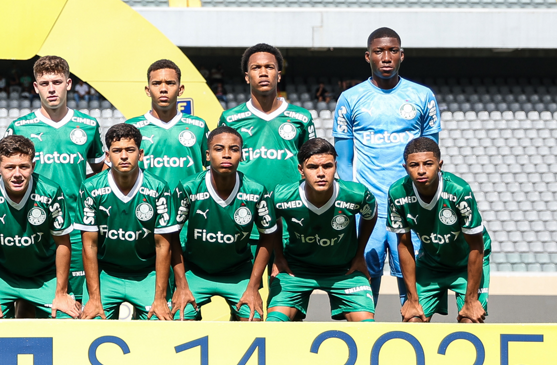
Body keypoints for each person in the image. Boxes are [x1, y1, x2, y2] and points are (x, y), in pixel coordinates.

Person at [333, 27, 441, 302]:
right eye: (379, 51)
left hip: (410, 206)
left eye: (392, 50)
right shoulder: (350, 99)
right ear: (367, 56)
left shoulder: (422, 96)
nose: (386, 57)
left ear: (402, 55)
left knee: (413, 285)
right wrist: (354, 202)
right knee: (363, 283)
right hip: (369, 209)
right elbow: (343, 161)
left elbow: (430, 158)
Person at [5, 55, 104, 305]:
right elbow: (4, 171)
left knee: (76, 303)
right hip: (32, 225)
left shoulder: (88, 125)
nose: (51, 89)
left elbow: (100, 171)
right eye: (45, 83)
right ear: (35, 87)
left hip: (75, 226)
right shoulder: (20, 127)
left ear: (68, 84)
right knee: (28, 302)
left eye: (57, 82)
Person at [170, 127, 277, 321]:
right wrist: (181, 285)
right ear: (207, 155)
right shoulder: (188, 187)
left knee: (252, 320)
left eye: (234, 149)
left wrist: (253, 287)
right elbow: (170, 236)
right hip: (195, 272)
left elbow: (268, 237)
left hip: (238, 274)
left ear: (242, 155)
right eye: (219, 149)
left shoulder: (256, 190)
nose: (226, 154)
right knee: (180, 318)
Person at [267, 139, 378, 322]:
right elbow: (273, 222)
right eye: (312, 167)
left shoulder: (357, 194)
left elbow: (370, 215)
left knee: (366, 326)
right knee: (274, 324)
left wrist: (359, 255)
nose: (321, 173)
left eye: (327, 166)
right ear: (301, 170)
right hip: (296, 269)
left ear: (335, 166)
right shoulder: (281, 196)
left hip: (344, 270)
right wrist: (278, 256)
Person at [77, 124, 178, 320]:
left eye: (130, 150)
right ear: (107, 156)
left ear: (140, 154)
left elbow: (162, 246)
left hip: (147, 274)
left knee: (160, 322)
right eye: (117, 151)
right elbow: (89, 245)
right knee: (92, 321)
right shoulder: (91, 188)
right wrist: (95, 299)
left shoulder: (158, 188)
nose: (124, 156)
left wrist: (159, 298)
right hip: (106, 274)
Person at [0, 135, 75, 319]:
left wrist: (61, 293)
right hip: (2, 275)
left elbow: (63, 243)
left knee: (66, 319)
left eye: (24, 167)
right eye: (10, 167)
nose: (17, 174)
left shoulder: (50, 192)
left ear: (33, 166)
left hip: (45, 275)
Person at [387, 137, 489, 323]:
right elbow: (404, 244)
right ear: (405, 168)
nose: (421, 170)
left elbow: (476, 246)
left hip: (466, 263)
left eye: (428, 164)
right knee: (413, 319)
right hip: (431, 262)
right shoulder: (397, 193)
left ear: (439, 165)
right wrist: (412, 299)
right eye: (414, 165)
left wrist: (471, 300)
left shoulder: (459, 190)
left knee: (470, 320)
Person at [218, 44, 315, 191]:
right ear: (247, 77)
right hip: (245, 198)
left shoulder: (302, 118)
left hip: (289, 199)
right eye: (256, 67)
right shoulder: (230, 118)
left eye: (269, 67)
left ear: (279, 75)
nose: (263, 73)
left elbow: (312, 162)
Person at [125, 59, 210, 190]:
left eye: (170, 83)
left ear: (180, 89)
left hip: (189, 201)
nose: (163, 89)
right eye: (156, 83)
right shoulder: (132, 127)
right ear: (148, 90)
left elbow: (214, 170)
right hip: (147, 201)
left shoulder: (198, 126)